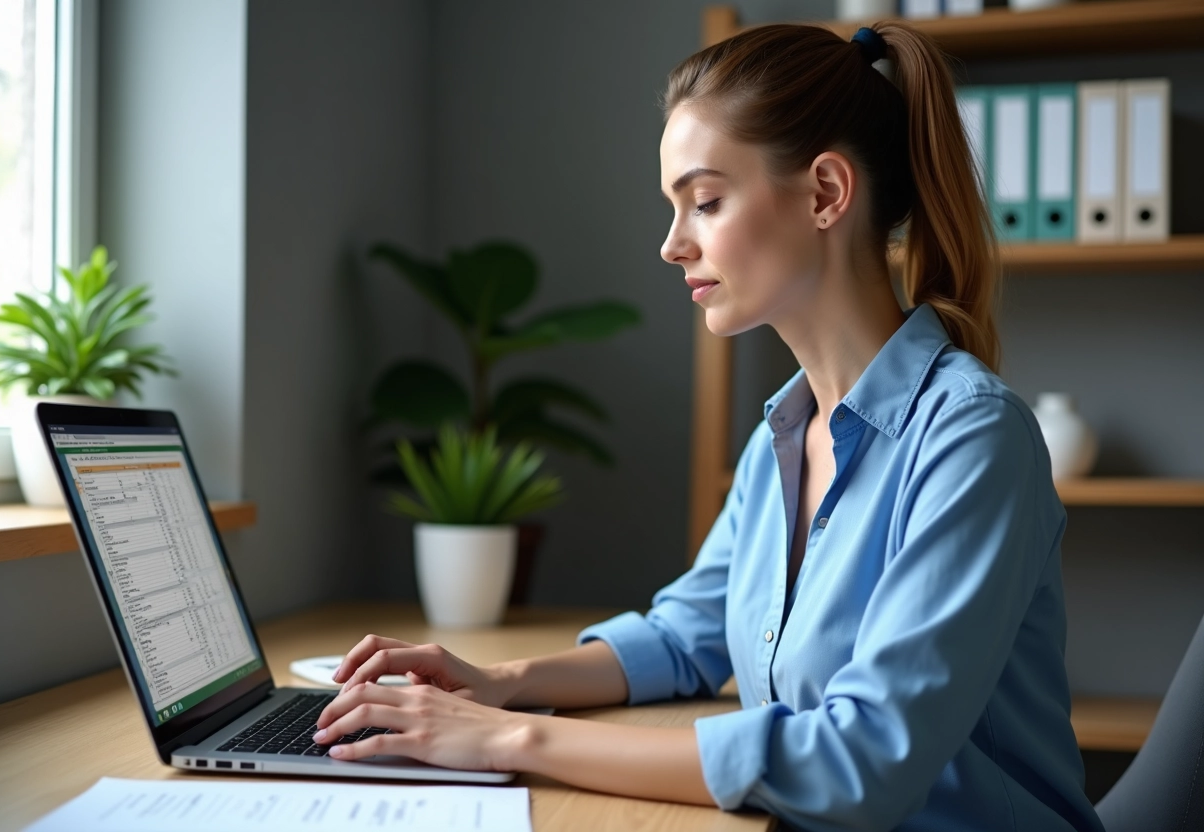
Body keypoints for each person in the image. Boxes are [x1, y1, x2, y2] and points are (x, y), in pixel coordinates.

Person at [313, 22, 1104, 832]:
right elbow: (685, 637)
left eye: (707, 201)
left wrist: (508, 738)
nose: (671, 244)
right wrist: (499, 681)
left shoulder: (972, 440)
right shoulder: (782, 441)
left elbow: (860, 763)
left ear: (827, 193)